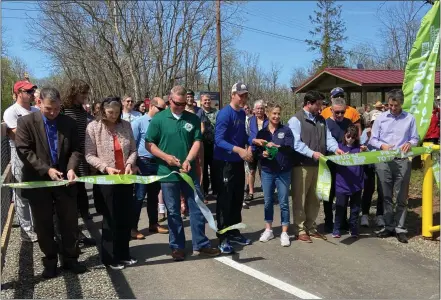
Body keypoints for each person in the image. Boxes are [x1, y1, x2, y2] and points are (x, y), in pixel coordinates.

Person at [15, 87, 87, 278]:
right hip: (38, 181)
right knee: (43, 225)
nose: (53, 113)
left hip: (65, 181)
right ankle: (50, 261)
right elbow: (24, 151)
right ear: (39, 104)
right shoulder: (25, 122)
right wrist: (46, 169)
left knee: (70, 223)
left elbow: (76, 149)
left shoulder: (68, 123)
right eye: (48, 109)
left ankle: (71, 259)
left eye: (56, 108)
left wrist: (72, 168)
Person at [146, 85, 220, 261]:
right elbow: (149, 144)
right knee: (173, 211)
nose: (180, 106)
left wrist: (188, 159)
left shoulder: (192, 119)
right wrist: (166, 158)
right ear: (169, 100)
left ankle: (200, 243)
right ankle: (177, 246)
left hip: (189, 172)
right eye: (176, 103)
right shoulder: (159, 119)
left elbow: (196, 141)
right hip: (167, 173)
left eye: (182, 103)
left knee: (197, 207)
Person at [85, 96, 138, 270]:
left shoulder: (126, 126)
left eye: (116, 112)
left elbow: (133, 150)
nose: (114, 116)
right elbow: (89, 155)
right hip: (106, 180)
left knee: (124, 217)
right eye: (110, 112)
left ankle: (124, 254)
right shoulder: (93, 127)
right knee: (110, 218)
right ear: (102, 111)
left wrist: (130, 163)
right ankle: (110, 258)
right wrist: (106, 167)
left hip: (125, 178)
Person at [288, 90, 344, 243]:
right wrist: (312, 153)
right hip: (302, 165)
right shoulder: (296, 120)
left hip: (319, 165)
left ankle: (311, 226)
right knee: (300, 198)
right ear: (308, 104)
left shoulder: (321, 120)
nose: (320, 107)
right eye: (318, 104)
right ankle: (300, 229)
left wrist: (335, 148)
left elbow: (329, 138)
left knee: (315, 197)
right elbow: (295, 143)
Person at [369, 89, 419, 243]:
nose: (392, 108)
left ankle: (400, 228)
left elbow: (415, 138)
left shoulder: (409, 119)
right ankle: (389, 226)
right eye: (390, 105)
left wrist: (410, 143)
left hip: (402, 160)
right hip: (383, 160)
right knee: (386, 195)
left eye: (395, 105)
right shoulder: (381, 118)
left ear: (401, 104)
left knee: (402, 196)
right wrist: (382, 146)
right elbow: (372, 139)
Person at [214, 82, 253, 253]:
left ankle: (234, 231)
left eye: (245, 95)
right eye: (241, 95)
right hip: (224, 163)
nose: (243, 98)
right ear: (233, 95)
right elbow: (219, 140)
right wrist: (238, 150)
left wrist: (252, 144)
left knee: (237, 199)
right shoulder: (224, 114)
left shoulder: (242, 113)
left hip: (238, 163)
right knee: (225, 201)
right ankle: (223, 237)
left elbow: (244, 136)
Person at [61, 79, 96, 246]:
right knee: (70, 198)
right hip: (68, 157)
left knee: (81, 195)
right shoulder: (62, 109)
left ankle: (78, 235)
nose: (85, 97)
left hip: (82, 154)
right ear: (74, 92)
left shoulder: (81, 110)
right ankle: (71, 237)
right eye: (83, 93)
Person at [253, 104, 294, 247]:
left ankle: (284, 232)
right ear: (268, 115)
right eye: (273, 114)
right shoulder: (262, 133)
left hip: (283, 171)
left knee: (283, 202)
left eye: (278, 113)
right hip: (267, 171)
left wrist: (278, 147)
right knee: (268, 201)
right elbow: (256, 152)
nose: (276, 116)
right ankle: (268, 229)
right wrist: (262, 154)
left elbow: (290, 149)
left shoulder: (286, 131)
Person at [3, 80, 39, 242]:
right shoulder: (11, 112)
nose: (32, 94)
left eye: (33, 91)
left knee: (37, 190)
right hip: (19, 155)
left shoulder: (36, 110)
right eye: (28, 91)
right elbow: (16, 135)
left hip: (39, 154)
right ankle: (26, 230)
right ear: (19, 93)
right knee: (21, 193)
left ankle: (37, 225)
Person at [131, 97, 169, 240]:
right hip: (142, 163)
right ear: (151, 106)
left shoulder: (162, 123)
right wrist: (134, 164)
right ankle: (133, 228)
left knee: (154, 195)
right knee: (140, 196)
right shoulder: (138, 123)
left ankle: (153, 223)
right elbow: (132, 145)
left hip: (157, 163)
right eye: (160, 109)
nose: (162, 112)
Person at [323, 97, 352, 232]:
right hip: (330, 162)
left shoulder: (348, 122)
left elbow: (354, 140)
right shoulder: (326, 123)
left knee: (343, 193)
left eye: (342, 112)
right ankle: (328, 221)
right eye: (337, 112)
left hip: (345, 164)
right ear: (331, 110)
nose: (340, 115)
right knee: (329, 194)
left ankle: (342, 221)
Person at [332, 125, 365, 238]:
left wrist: (364, 151)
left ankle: (353, 228)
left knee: (355, 208)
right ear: (344, 135)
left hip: (357, 183)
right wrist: (339, 155)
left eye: (353, 137)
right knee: (340, 207)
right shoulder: (339, 147)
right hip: (342, 183)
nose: (350, 139)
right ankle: (336, 228)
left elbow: (370, 155)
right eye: (348, 136)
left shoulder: (360, 149)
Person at [360, 112, 385, 228]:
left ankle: (380, 215)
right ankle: (365, 214)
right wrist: (367, 142)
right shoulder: (366, 132)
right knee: (369, 188)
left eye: (377, 121)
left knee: (382, 189)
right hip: (369, 162)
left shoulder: (385, 131)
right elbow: (360, 146)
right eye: (373, 121)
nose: (375, 123)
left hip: (382, 161)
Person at [245, 100, 268, 208]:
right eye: (257, 108)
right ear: (254, 110)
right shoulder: (250, 120)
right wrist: (249, 147)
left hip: (264, 149)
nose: (259, 110)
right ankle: (250, 192)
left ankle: (267, 192)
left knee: (264, 171)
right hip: (253, 148)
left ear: (264, 109)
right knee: (251, 171)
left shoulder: (268, 120)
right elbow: (247, 135)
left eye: (261, 108)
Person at [196, 94, 219, 198]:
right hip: (202, 143)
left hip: (214, 144)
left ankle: (215, 190)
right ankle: (205, 191)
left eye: (209, 100)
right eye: (205, 100)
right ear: (201, 101)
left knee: (214, 168)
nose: (207, 102)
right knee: (203, 169)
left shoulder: (216, 112)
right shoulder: (198, 112)